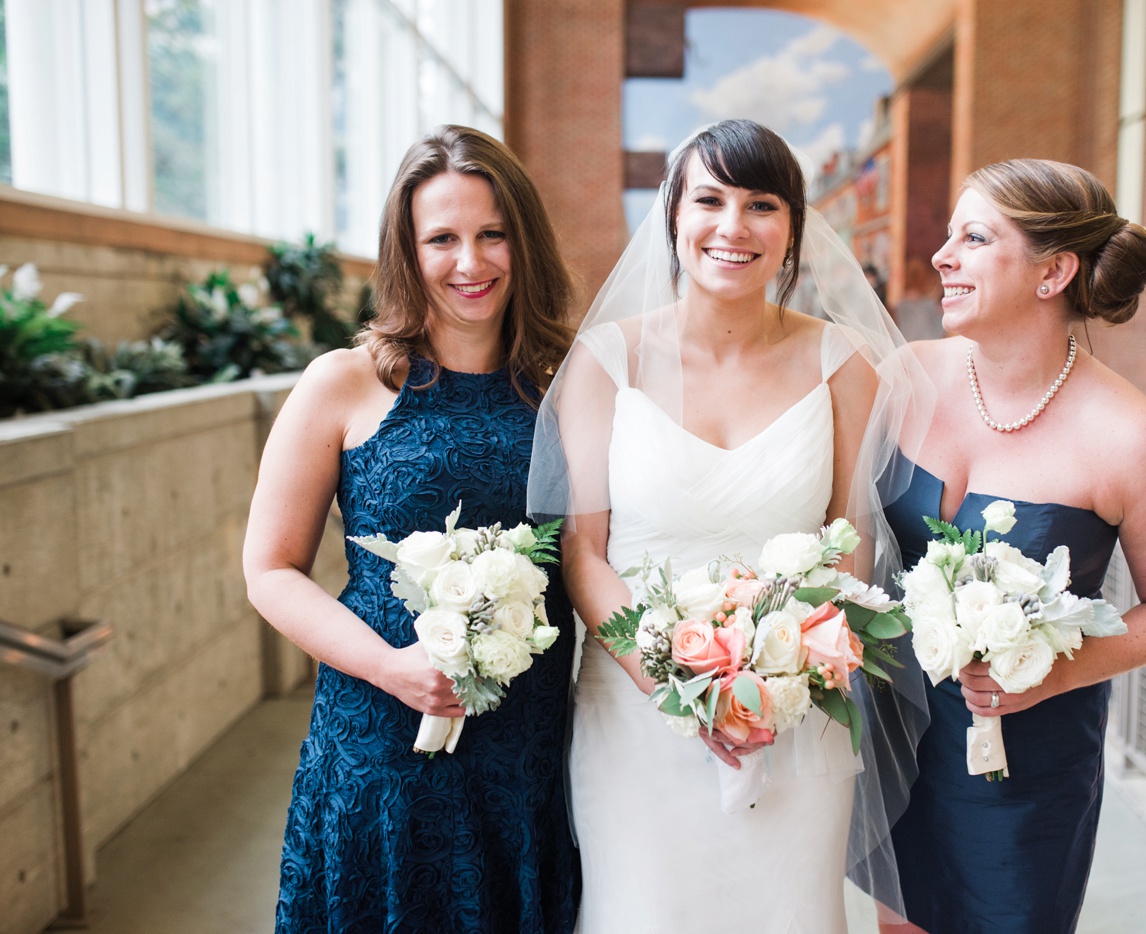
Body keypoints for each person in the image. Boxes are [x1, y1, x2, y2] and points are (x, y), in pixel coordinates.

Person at [528, 119, 926, 933]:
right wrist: (674, 684)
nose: (733, 226)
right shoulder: (606, 363)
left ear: (794, 228)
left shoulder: (844, 364)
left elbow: (849, 546)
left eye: (762, 205)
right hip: (636, 706)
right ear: (673, 217)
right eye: (709, 199)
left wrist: (778, 687)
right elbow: (584, 552)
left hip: (793, 710)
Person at [243, 125, 580, 933]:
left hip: (525, 750)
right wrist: (392, 668)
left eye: (493, 234)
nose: (472, 262)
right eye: (444, 238)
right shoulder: (345, 383)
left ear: (523, 241)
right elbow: (270, 569)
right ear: (406, 248)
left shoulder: (571, 384)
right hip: (381, 744)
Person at [880, 158, 1146, 934]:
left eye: (975, 237)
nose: (942, 256)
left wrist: (1053, 675)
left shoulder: (1136, 441)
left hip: (1024, 760)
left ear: (1053, 271)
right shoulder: (906, 376)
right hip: (897, 735)